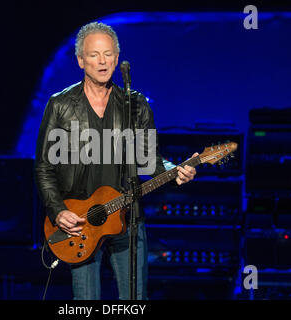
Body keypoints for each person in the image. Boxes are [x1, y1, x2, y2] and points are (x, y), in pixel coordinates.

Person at [35, 22, 197, 300]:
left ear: (117, 58)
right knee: (85, 301)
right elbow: (44, 167)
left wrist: (175, 170)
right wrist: (58, 210)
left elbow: (149, 160)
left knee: (135, 299)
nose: (102, 61)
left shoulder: (136, 105)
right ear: (80, 61)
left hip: (127, 218)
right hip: (81, 220)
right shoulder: (60, 105)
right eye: (94, 54)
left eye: (108, 54)